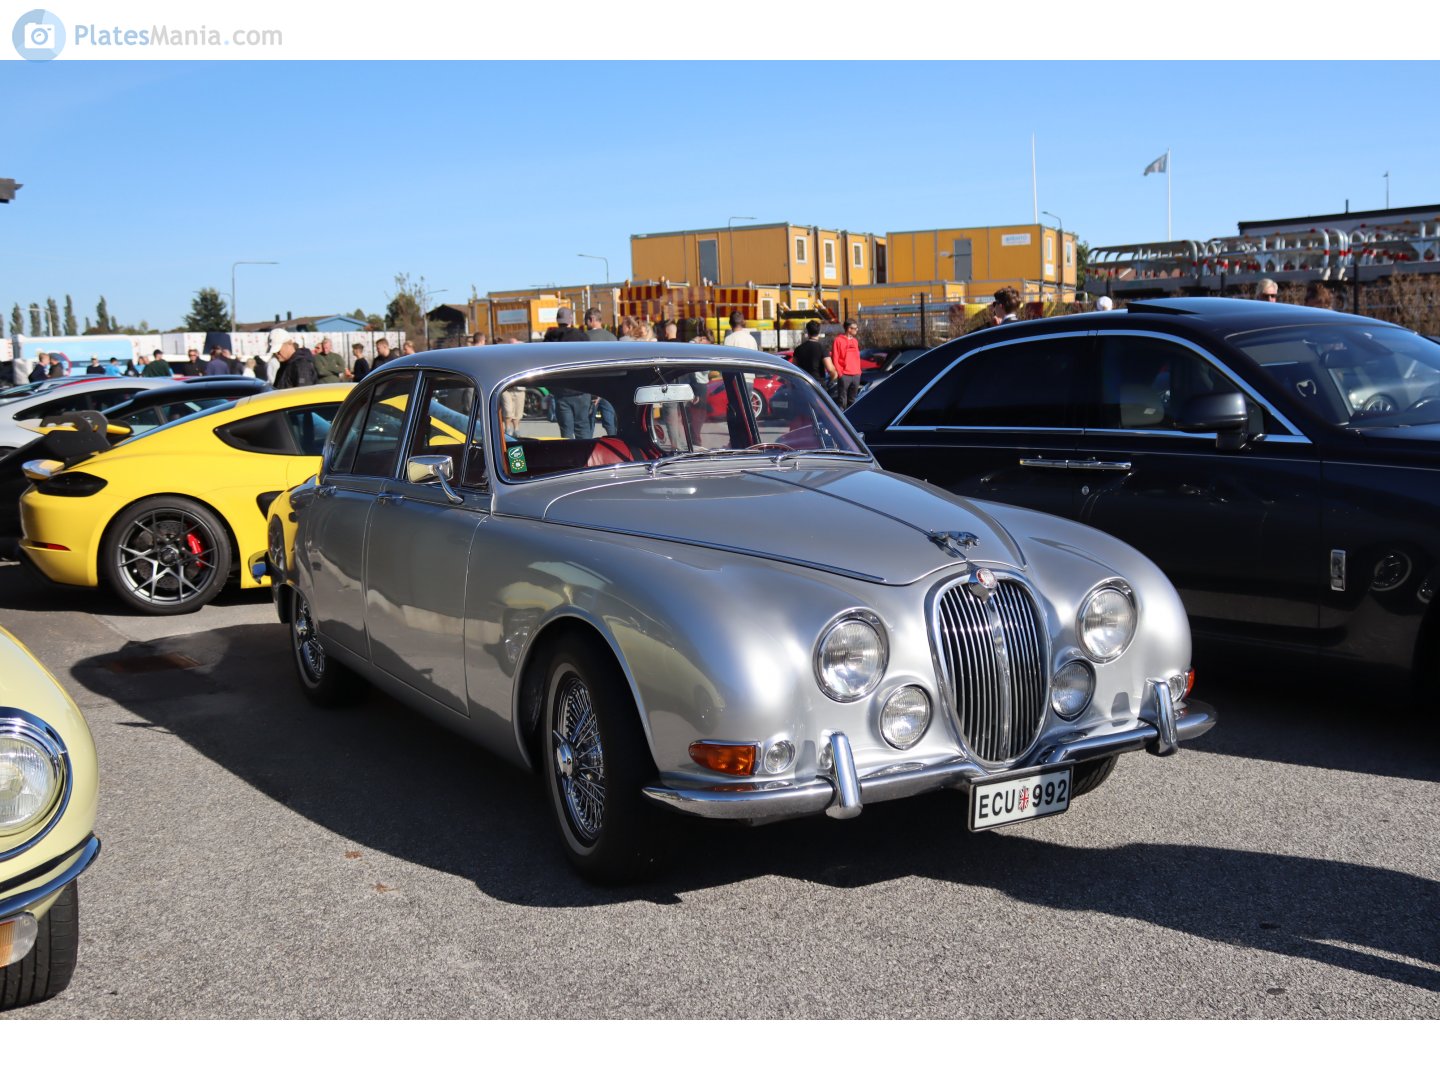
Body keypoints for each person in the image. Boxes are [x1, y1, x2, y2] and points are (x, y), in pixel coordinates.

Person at [792, 320, 834, 390]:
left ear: (807, 331)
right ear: (819, 332)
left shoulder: (798, 349)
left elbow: (794, 367)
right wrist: (833, 378)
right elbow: (830, 369)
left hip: (803, 383)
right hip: (818, 384)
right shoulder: (822, 348)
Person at [830, 318, 862, 408]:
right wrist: (840, 374)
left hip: (856, 375)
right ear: (849, 329)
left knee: (853, 401)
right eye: (855, 328)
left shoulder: (855, 341)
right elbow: (835, 358)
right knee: (842, 401)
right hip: (845, 375)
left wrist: (859, 371)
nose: (857, 330)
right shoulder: (838, 340)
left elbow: (857, 358)